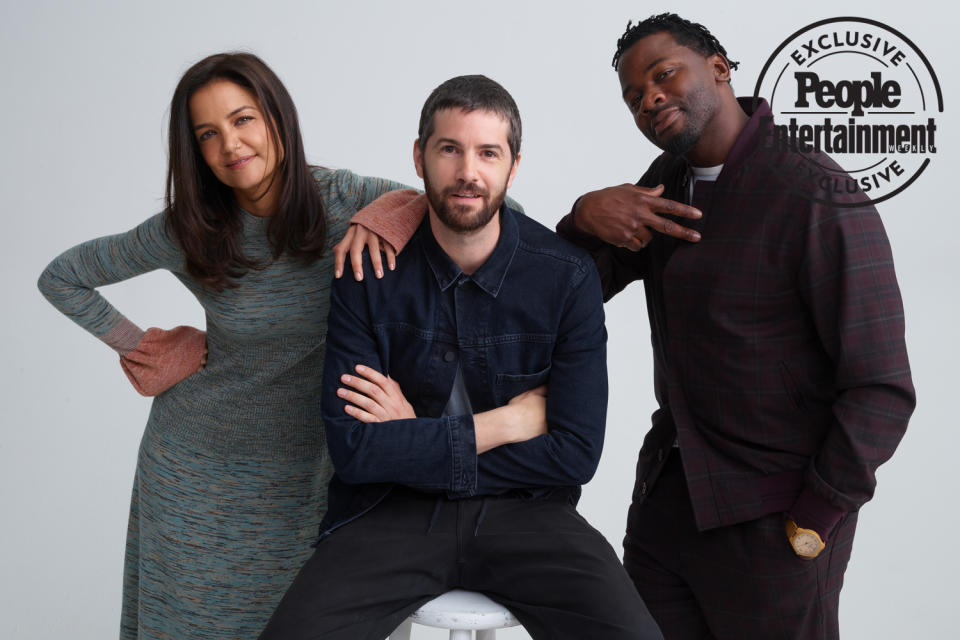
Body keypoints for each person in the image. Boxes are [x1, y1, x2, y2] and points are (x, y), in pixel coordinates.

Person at [260, 74, 663, 640]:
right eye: (449, 149)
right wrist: (506, 424)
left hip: (528, 514)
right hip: (389, 512)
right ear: (419, 157)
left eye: (487, 153)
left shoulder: (566, 278)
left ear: (513, 166)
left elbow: (574, 455)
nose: (468, 172)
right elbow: (355, 452)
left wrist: (416, 440)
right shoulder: (367, 272)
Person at [553, 13, 916, 640]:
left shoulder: (815, 193)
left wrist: (817, 514)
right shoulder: (666, 184)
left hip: (775, 518)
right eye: (634, 97)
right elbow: (569, 294)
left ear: (718, 67)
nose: (651, 99)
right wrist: (583, 216)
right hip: (669, 506)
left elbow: (881, 386)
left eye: (664, 75)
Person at [37, 52, 417, 639]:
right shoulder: (188, 228)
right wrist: (144, 347)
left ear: (276, 118)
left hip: (313, 470)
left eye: (243, 120)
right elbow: (61, 277)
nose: (230, 145)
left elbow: (492, 211)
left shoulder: (344, 200)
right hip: (197, 470)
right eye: (207, 134)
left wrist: (391, 218)